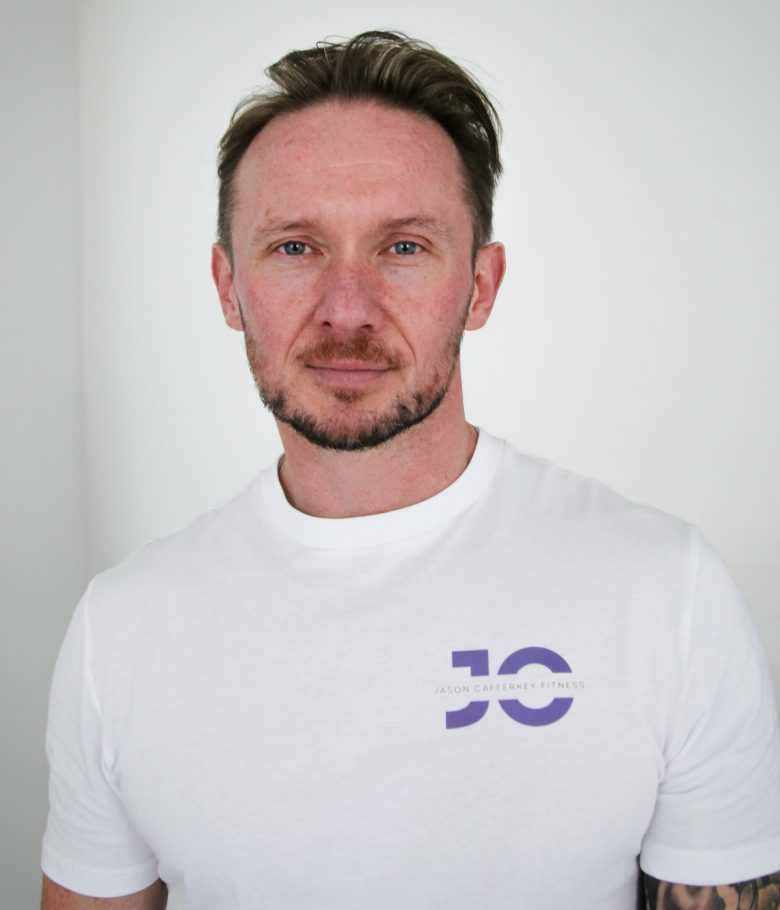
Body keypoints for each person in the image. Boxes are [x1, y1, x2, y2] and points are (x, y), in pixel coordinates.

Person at [41, 31, 779, 910]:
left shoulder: (667, 594)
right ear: (227, 285)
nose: (347, 310)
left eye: (403, 247)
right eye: (295, 247)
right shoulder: (122, 631)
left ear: (481, 285)